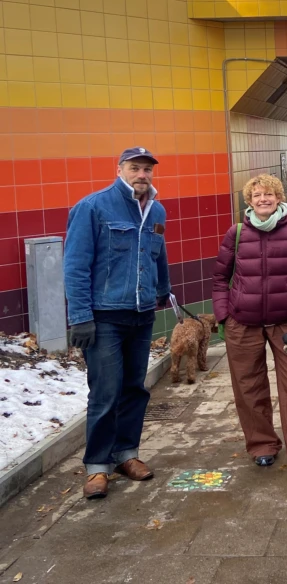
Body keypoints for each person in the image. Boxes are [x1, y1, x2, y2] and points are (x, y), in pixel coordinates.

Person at [63, 147, 170, 499]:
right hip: (104, 316)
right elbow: (75, 266)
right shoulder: (92, 207)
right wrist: (80, 317)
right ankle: (97, 467)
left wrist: (163, 290)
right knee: (105, 392)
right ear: (120, 169)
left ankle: (127, 454)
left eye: (147, 170)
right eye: (135, 168)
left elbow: (158, 254)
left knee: (134, 389)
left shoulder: (156, 209)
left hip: (141, 315)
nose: (142, 175)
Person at [212, 174, 287, 470]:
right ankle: (262, 445)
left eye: (269, 194)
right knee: (248, 388)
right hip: (243, 323)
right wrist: (223, 316)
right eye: (257, 196)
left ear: (279, 198)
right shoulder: (236, 232)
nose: (263, 199)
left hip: (286, 325)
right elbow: (219, 278)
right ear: (249, 201)